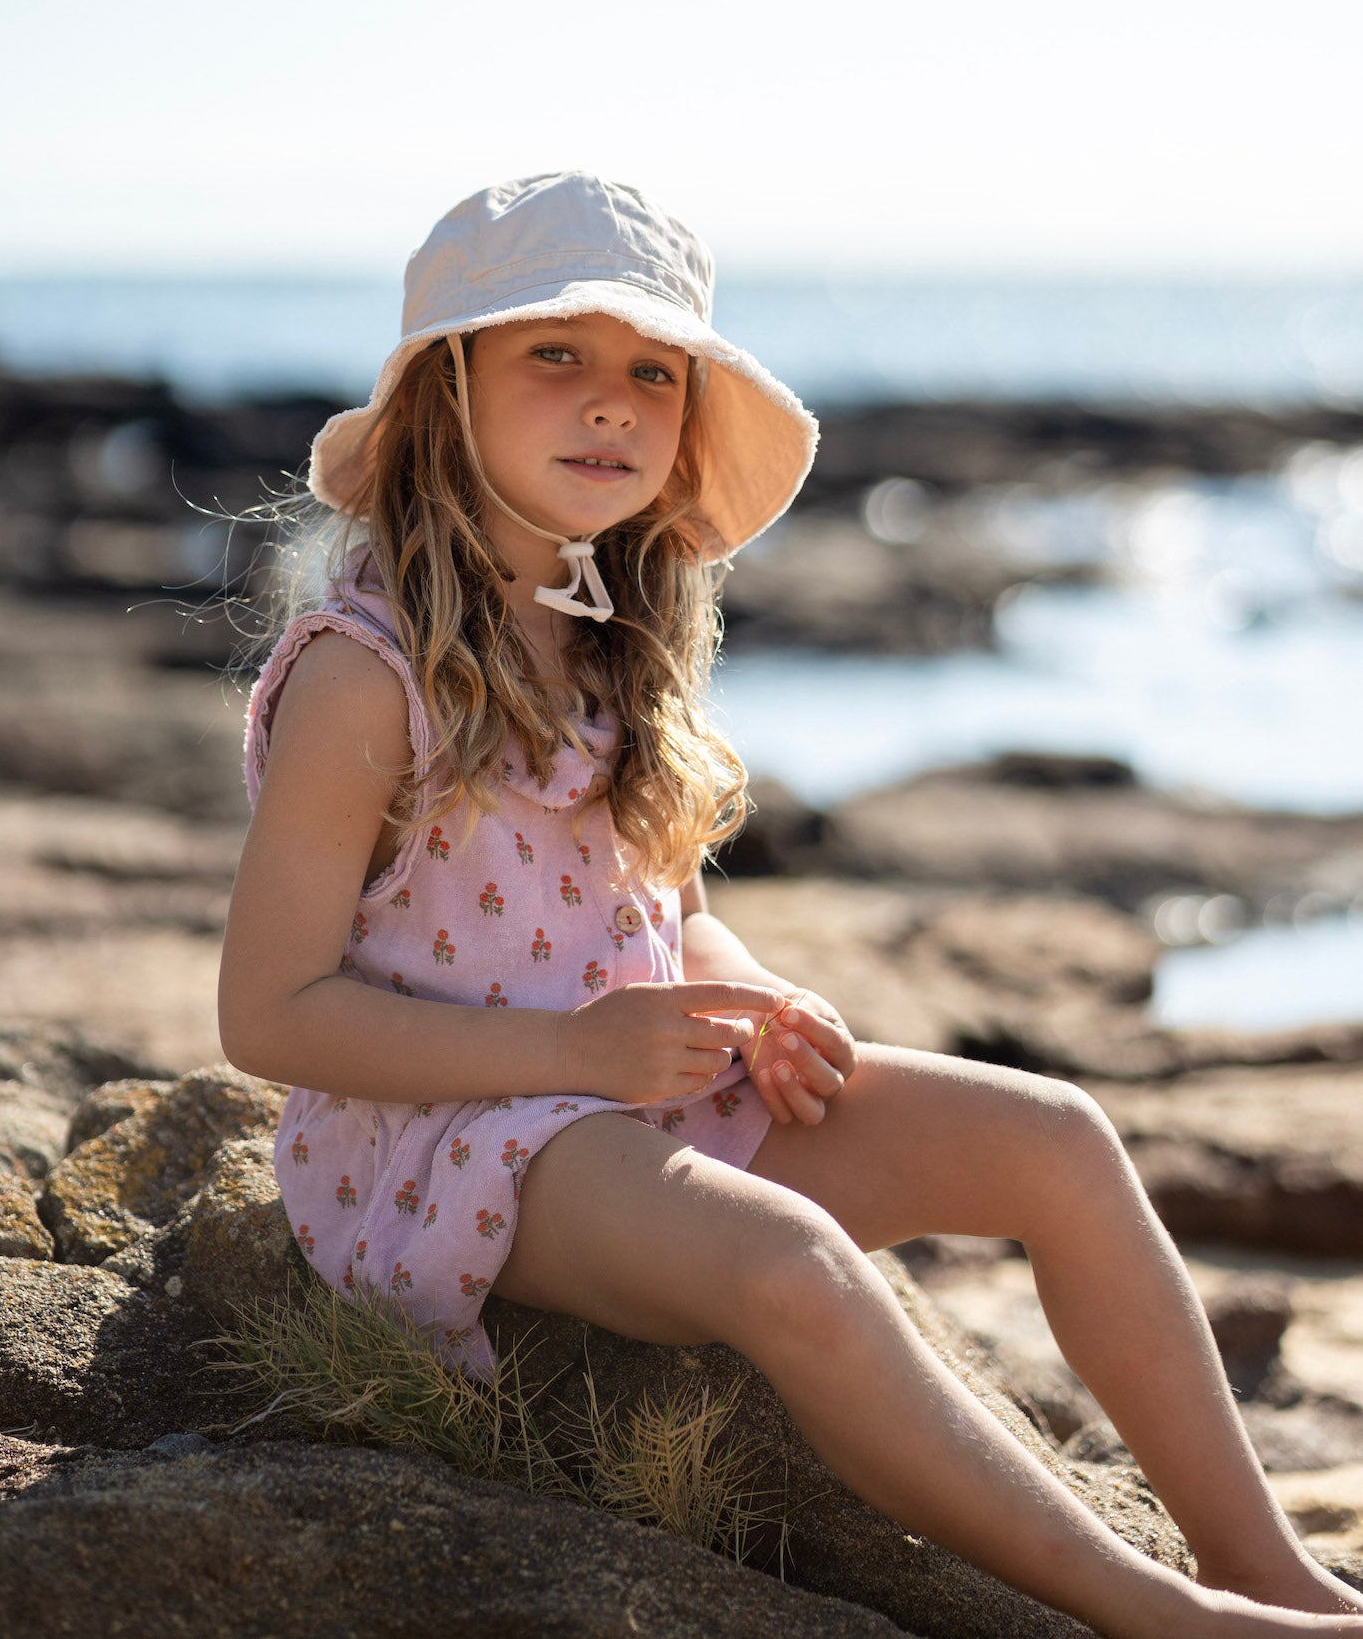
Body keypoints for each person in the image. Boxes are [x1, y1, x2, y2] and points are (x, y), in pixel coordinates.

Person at [218, 171, 1361, 1638]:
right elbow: (268, 1015)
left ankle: (1266, 1569)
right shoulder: (363, 673)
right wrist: (571, 1053)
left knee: (1061, 1138)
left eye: (655, 372)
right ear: (448, 389)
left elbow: (659, 909)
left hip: (635, 1097)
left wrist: (752, 992)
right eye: (554, 353)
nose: (612, 401)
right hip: (447, 1144)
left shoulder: (608, 634)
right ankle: (1156, 1615)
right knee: (789, 1260)